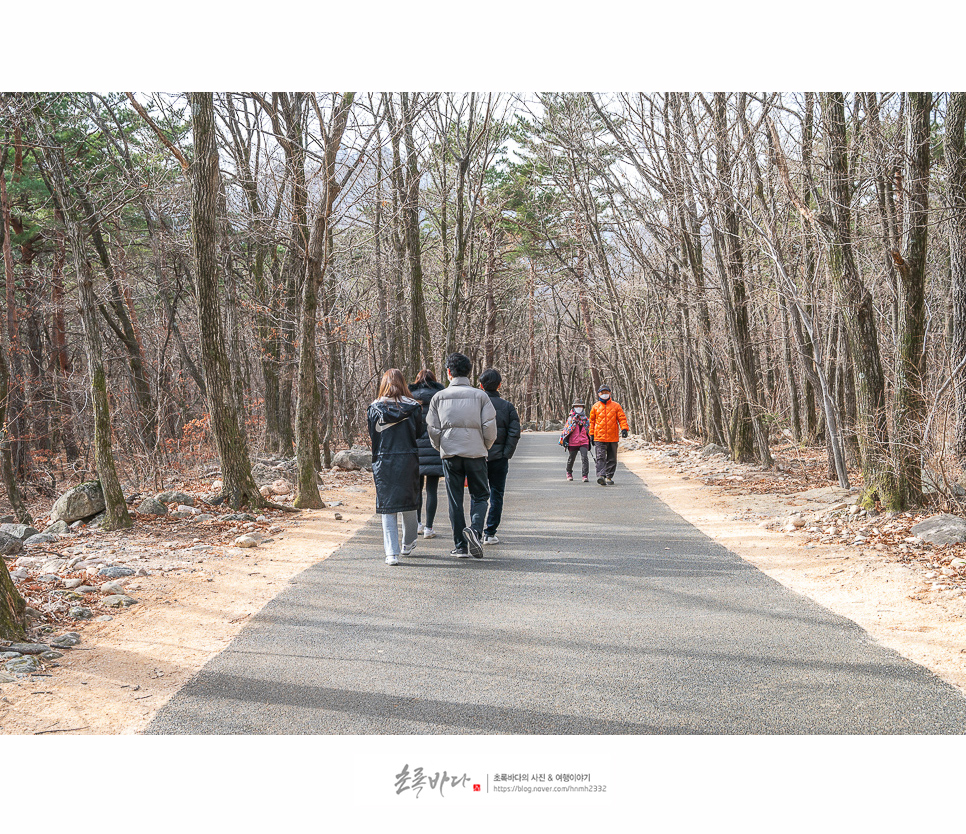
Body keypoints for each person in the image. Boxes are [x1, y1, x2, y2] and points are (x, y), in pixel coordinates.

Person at [426, 352, 496, 559]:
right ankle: (474, 530)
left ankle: (461, 546)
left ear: (449, 372)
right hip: (476, 453)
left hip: (450, 455)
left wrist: (441, 447)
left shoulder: (438, 397)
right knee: (481, 495)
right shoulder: (481, 396)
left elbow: (432, 428)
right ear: (469, 372)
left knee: (455, 499)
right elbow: (490, 427)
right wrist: (484, 446)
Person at [367, 368, 425, 566]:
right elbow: (420, 432)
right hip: (408, 459)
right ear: (403, 383)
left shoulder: (374, 408)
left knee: (388, 508)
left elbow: (373, 435)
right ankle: (408, 544)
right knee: (410, 504)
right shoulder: (414, 407)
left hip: (384, 460)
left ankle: (391, 553)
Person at [478, 368, 521, 545]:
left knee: (478, 495)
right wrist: (506, 454)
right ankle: (490, 532)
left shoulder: (476, 405)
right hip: (499, 459)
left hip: (478, 457)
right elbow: (514, 432)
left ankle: (475, 531)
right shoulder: (507, 407)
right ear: (500, 385)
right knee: (497, 494)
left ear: (481, 386)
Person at [409, 369, 446, 539]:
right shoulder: (440, 396)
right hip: (434, 447)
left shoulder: (409, 396)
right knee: (432, 490)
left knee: (417, 489)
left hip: (415, 447)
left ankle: (417, 524)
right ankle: (429, 528)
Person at [588, 384, 629, 486]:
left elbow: (622, 418)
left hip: (613, 437)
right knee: (600, 457)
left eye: (606, 392)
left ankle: (609, 477)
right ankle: (601, 476)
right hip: (599, 437)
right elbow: (591, 422)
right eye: (602, 393)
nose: (604, 394)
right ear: (598, 394)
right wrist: (591, 434)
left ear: (610, 393)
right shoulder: (595, 407)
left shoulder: (616, 406)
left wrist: (624, 429)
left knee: (612, 458)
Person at [560, 398, 591, 482]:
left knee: (584, 458)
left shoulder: (586, 419)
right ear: (573, 407)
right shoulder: (571, 419)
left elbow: (589, 430)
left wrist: (592, 439)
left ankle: (585, 475)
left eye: (580, 406)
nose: (578, 408)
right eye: (577, 406)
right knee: (571, 458)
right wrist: (564, 440)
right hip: (573, 442)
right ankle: (569, 472)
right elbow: (566, 430)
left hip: (584, 441)